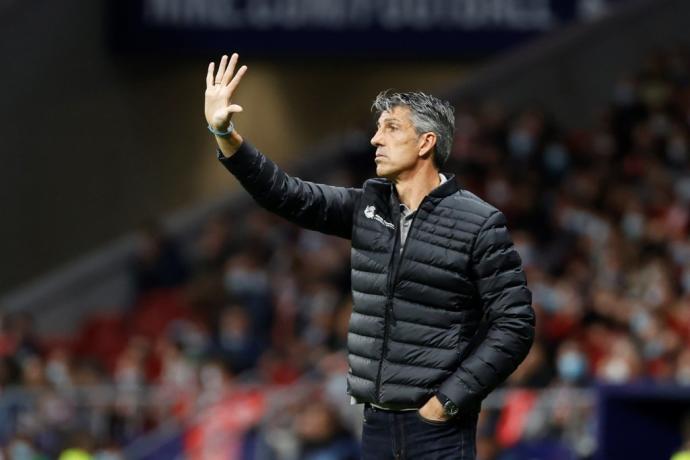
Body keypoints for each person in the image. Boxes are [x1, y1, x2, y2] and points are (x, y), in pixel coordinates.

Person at [204, 53, 535, 459]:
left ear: (426, 142)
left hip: (439, 429)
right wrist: (226, 135)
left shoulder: (479, 222)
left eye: (391, 127)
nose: (375, 138)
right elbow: (285, 194)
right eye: (377, 128)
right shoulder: (366, 206)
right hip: (376, 425)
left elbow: (515, 324)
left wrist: (448, 400)